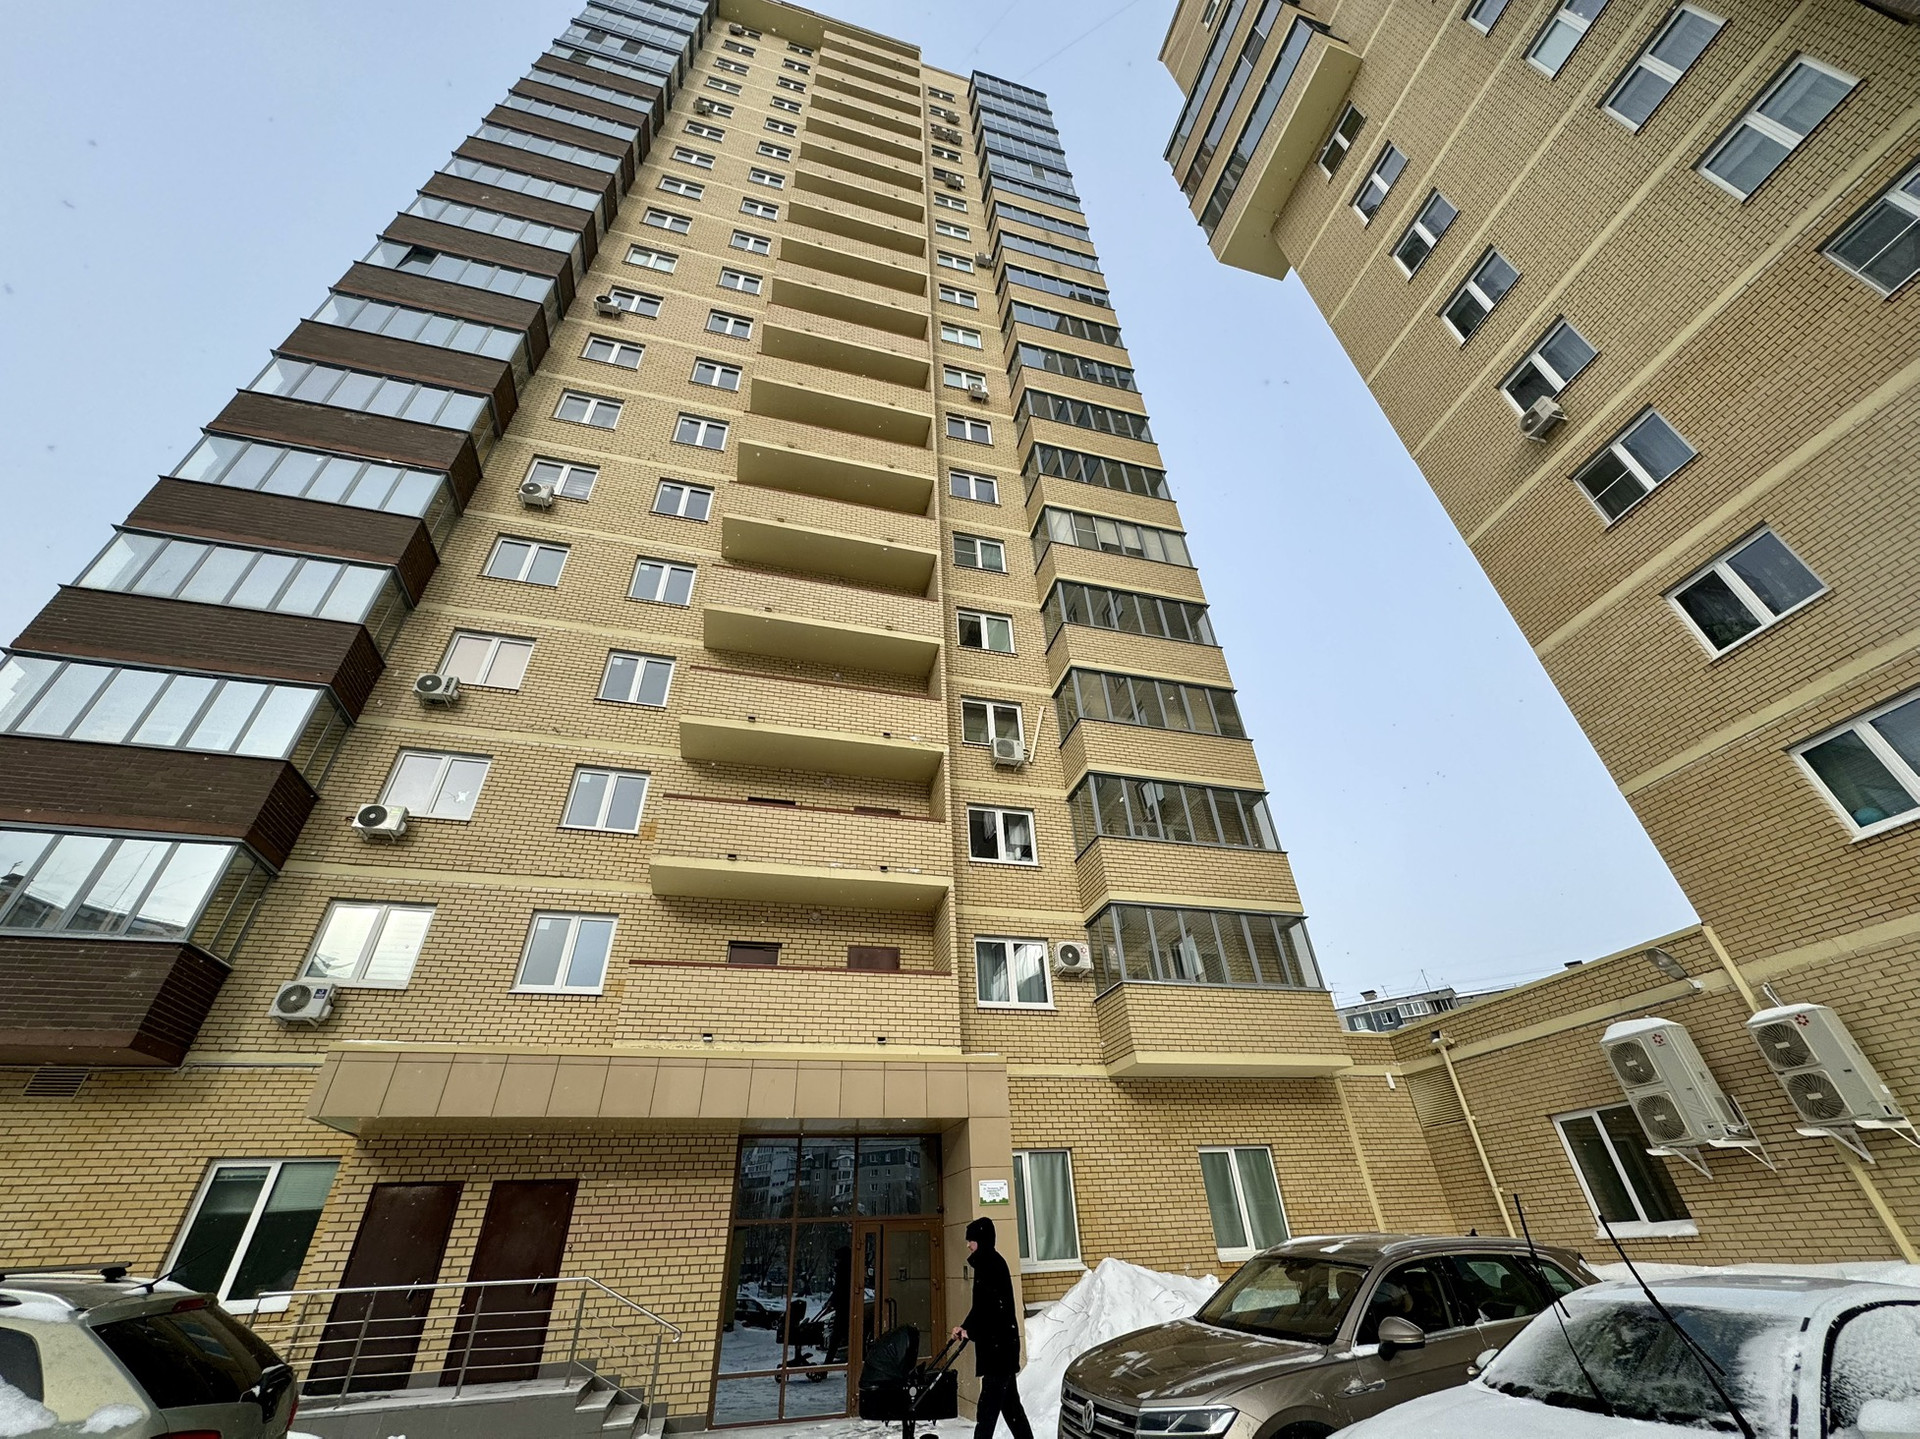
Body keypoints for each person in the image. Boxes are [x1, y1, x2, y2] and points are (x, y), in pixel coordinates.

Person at [950, 1216, 1033, 1439]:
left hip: (999, 1351)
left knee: (987, 1412)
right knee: (1011, 1409)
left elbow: (994, 1311)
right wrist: (964, 1328)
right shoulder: (987, 1264)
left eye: (971, 1241)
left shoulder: (991, 1265)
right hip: (1000, 1349)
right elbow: (981, 1307)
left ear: (981, 1241)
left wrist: (971, 1332)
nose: (968, 1245)